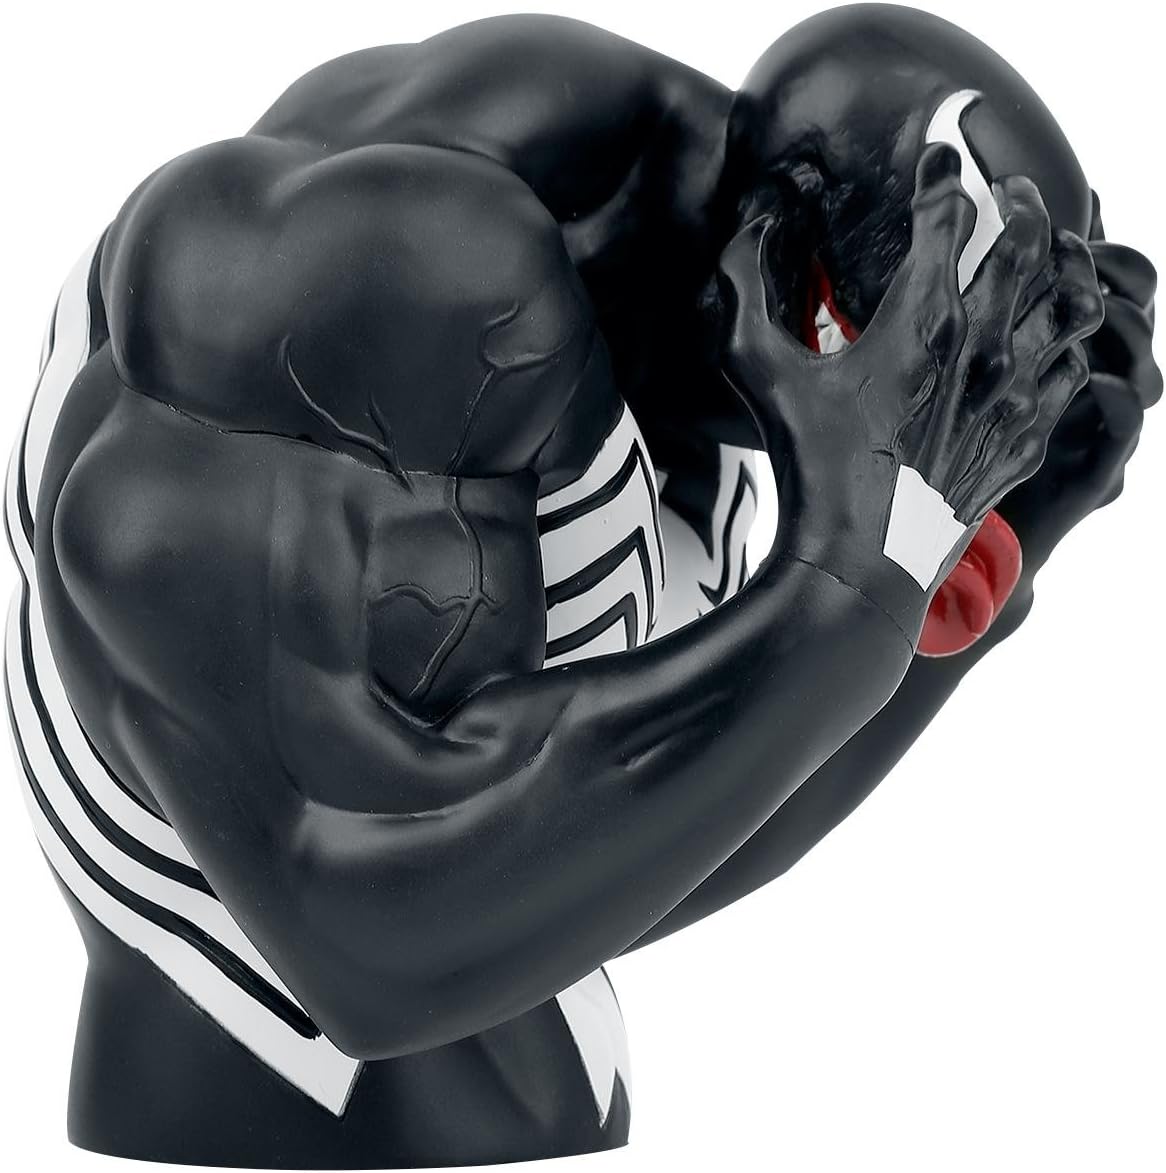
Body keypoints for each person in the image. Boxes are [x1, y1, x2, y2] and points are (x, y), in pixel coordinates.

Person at [6, 9, 1155, 1167]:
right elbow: (360, 941)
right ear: (806, 284)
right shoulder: (386, 275)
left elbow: (618, 861)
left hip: (531, 1064)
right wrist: (857, 577)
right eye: (946, 374)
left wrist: (988, 533)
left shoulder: (702, 322)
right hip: (249, 1087)